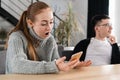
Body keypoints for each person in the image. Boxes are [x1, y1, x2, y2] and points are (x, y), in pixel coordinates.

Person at [6, 1, 91, 74]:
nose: (49, 27)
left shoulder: (50, 39)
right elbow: (17, 65)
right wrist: (54, 66)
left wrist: (71, 64)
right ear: (30, 23)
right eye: (43, 24)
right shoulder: (16, 37)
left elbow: (55, 63)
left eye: (51, 22)